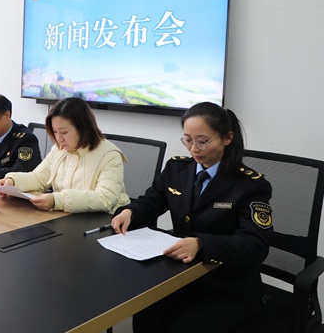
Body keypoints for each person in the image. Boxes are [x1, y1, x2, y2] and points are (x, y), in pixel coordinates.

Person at [110, 102, 273, 333]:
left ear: (227, 138)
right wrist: (130, 212)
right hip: (179, 278)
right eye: (187, 140)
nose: (194, 149)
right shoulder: (178, 169)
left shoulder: (250, 185)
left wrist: (201, 244)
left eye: (203, 141)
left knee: (183, 328)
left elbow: (255, 245)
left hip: (227, 287)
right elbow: (151, 201)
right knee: (145, 314)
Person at [0, 97, 130, 212]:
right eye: (55, 131)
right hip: (67, 216)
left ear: (83, 128)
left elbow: (106, 198)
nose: (59, 139)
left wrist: (57, 200)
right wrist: (13, 181)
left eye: (64, 132)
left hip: (105, 221)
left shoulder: (109, 155)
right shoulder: (59, 149)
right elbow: (39, 178)